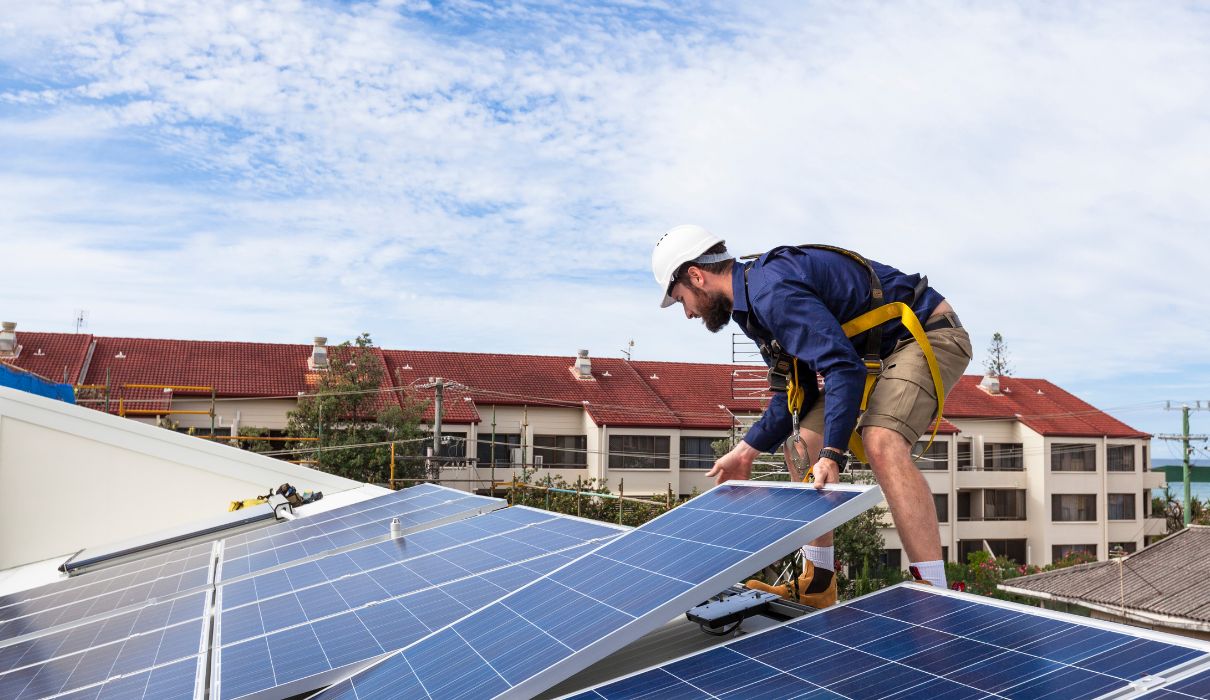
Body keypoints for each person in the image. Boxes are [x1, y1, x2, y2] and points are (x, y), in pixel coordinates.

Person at [652, 224, 972, 607]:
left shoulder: (771, 291)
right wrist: (746, 451)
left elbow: (842, 368)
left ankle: (933, 594)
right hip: (869, 356)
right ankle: (818, 584)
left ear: (696, 276)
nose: (687, 313)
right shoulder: (752, 308)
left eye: (682, 299)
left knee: (881, 441)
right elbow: (794, 395)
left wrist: (832, 454)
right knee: (801, 446)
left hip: (926, 333)